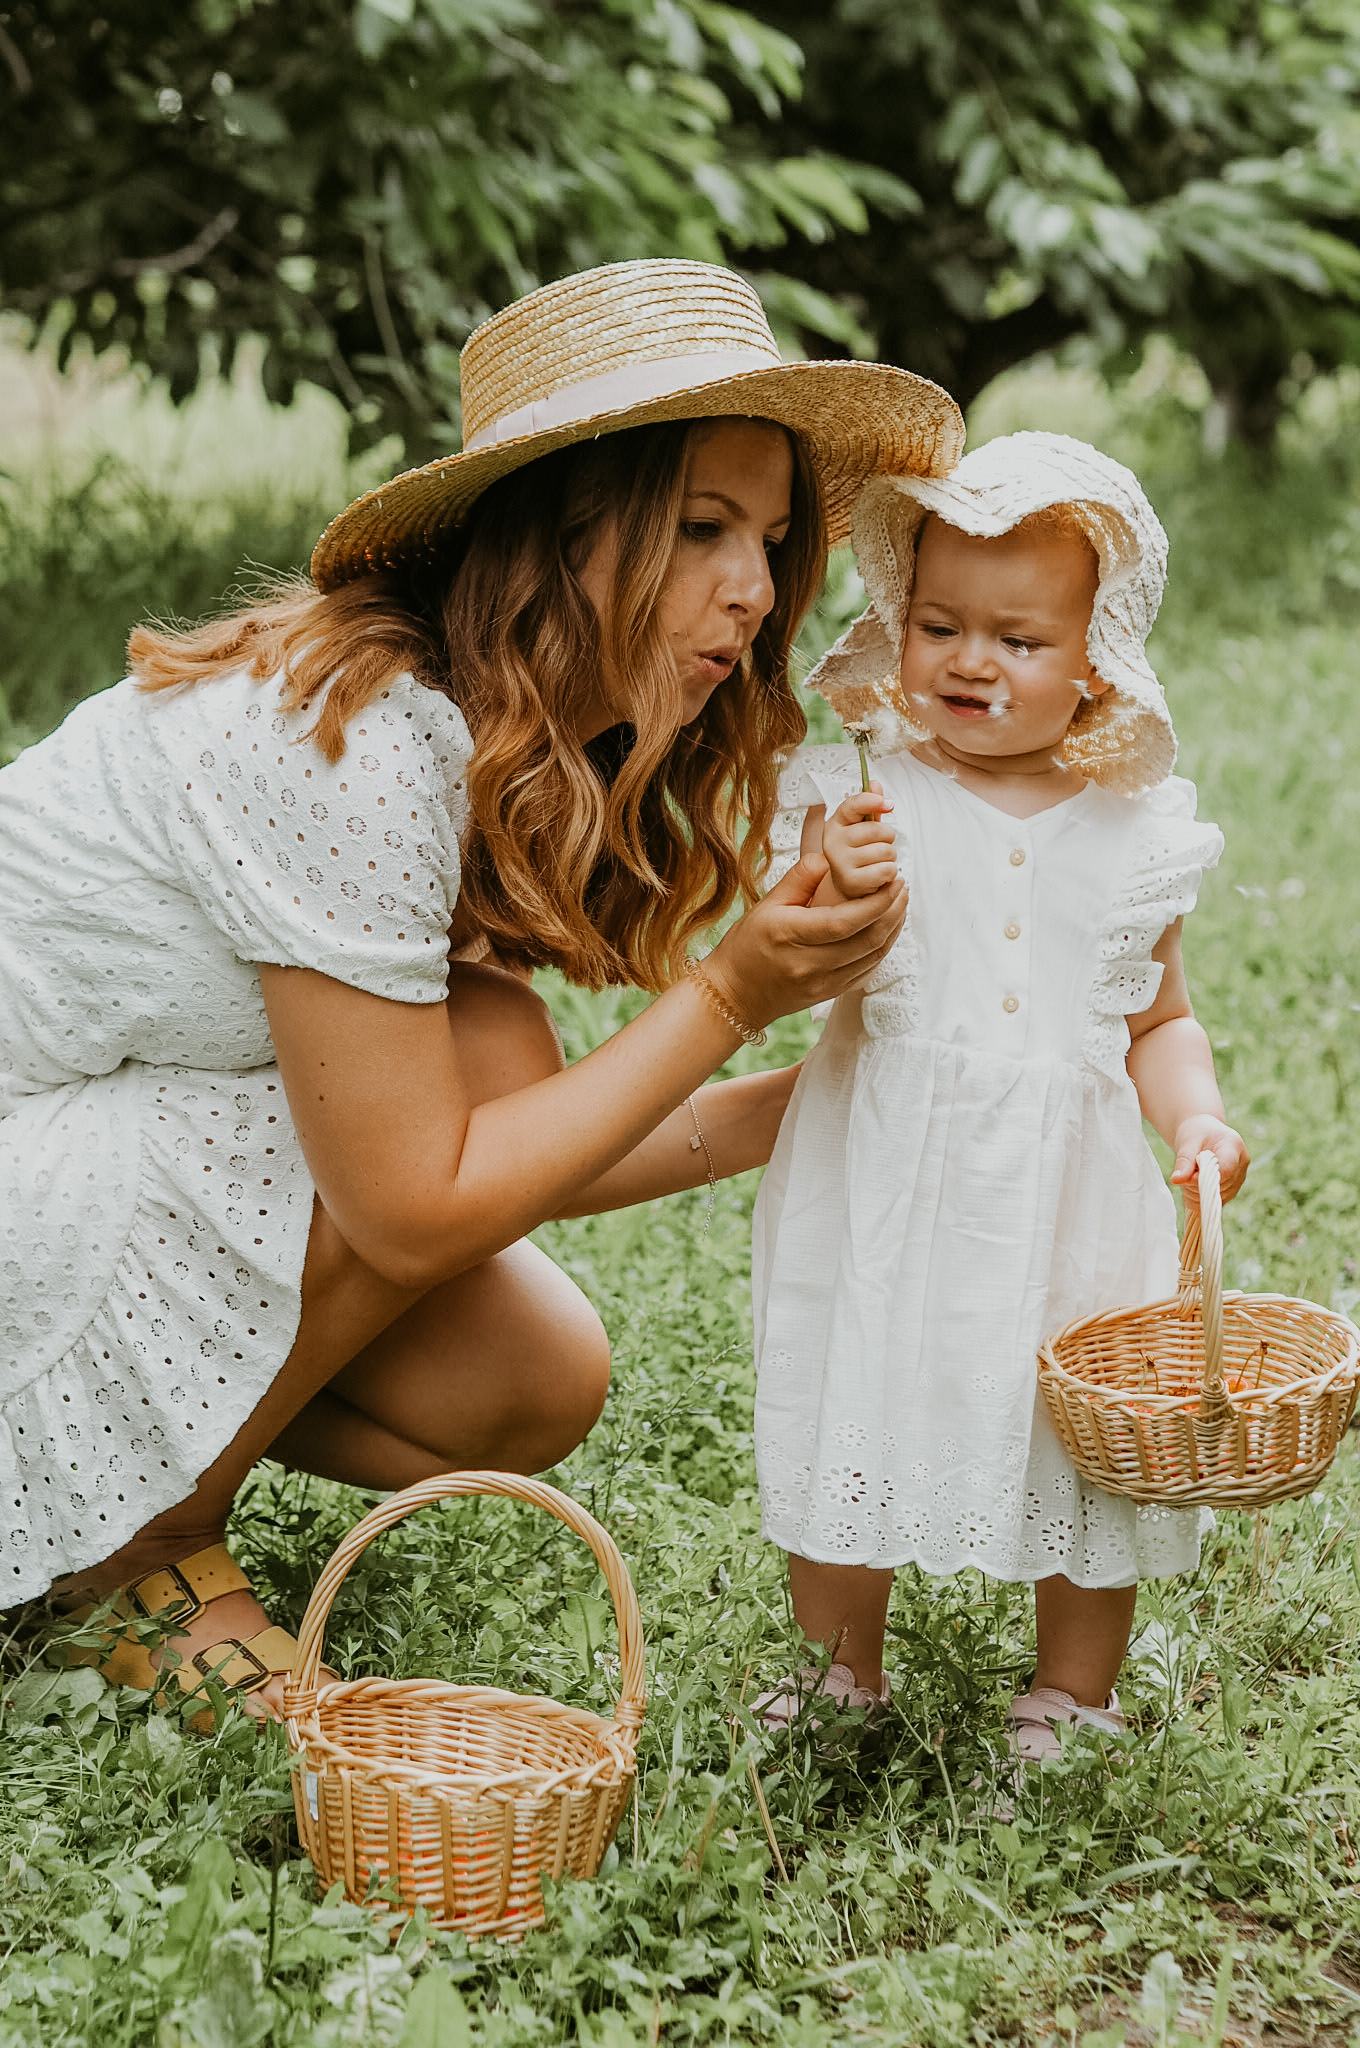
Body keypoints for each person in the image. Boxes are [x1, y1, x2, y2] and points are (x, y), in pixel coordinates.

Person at [0, 258, 962, 1718]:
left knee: (531, 1374)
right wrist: (729, 995)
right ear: (558, 535)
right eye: (701, 528)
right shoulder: (358, 739)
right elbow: (412, 1201)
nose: (756, 591)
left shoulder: (498, 729)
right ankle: (129, 1555)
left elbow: (522, 1145)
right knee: (443, 1108)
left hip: (74, 1156)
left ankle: (80, 1474)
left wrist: (834, 1083)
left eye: (771, 540)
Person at [749, 432, 1249, 1763]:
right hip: (885, 1182)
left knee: (1084, 1440)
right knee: (858, 1398)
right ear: (898, 626)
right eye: (941, 626)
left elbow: (1158, 1017)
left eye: (1020, 641)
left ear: (1097, 661)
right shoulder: (864, 798)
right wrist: (831, 880)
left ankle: (1074, 1692)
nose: (972, 661)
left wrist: (1195, 1118)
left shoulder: (1138, 836)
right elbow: (792, 962)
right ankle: (839, 1673)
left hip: (1069, 1204)